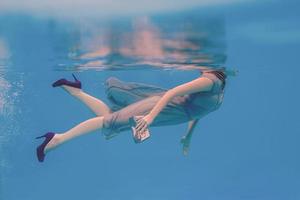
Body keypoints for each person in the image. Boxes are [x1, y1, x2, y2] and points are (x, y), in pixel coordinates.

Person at [36, 68, 232, 162]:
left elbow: (198, 113)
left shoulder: (219, 86)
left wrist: (187, 138)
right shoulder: (210, 81)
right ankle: (58, 139)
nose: (197, 67)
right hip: (164, 107)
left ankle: (74, 90)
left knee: (113, 120)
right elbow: (172, 93)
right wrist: (150, 118)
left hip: (173, 113)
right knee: (111, 123)